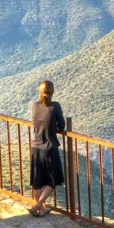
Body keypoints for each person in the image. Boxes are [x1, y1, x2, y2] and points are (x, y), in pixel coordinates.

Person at [29, 79, 65, 217]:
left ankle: (41, 209)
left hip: (36, 148)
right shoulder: (55, 106)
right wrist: (54, 127)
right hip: (49, 148)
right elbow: (61, 126)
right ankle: (38, 205)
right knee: (53, 179)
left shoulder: (33, 105)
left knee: (37, 180)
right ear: (52, 92)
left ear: (40, 91)